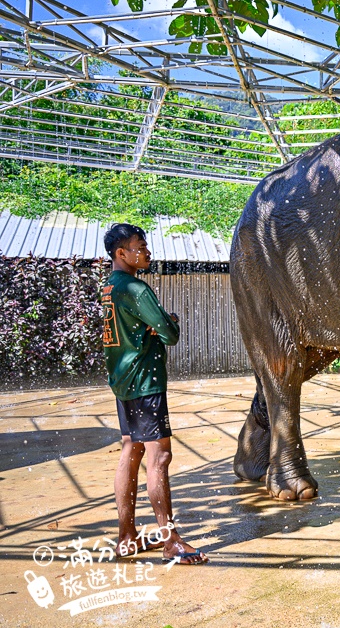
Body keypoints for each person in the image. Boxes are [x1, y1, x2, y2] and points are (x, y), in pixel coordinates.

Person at [101, 223, 208, 565]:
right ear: (121, 253)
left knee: (130, 451)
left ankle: (127, 536)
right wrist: (169, 320)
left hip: (122, 380)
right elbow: (170, 333)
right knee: (158, 458)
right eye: (140, 247)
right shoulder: (135, 287)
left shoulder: (110, 287)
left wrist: (159, 323)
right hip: (146, 383)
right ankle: (171, 540)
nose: (147, 253)